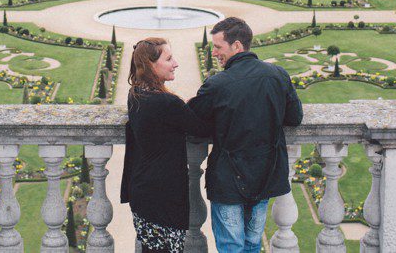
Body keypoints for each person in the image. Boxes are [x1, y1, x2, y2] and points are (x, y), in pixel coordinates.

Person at [188, 17, 303, 252]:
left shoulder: (217, 84)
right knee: (252, 245)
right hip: (265, 175)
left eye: (218, 47)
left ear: (237, 46)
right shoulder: (277, 75)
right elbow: (294, 118)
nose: (215, 53)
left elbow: (192, 123)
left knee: (232, 247)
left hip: (229, 179)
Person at [121, 37, 211, 253]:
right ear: (151, 65)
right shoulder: (167, 103)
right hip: (163, 196)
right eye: (169, 58)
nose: (176, 63)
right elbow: (202, 129)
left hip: (143, 191)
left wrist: (183, 108)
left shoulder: (135, 94)